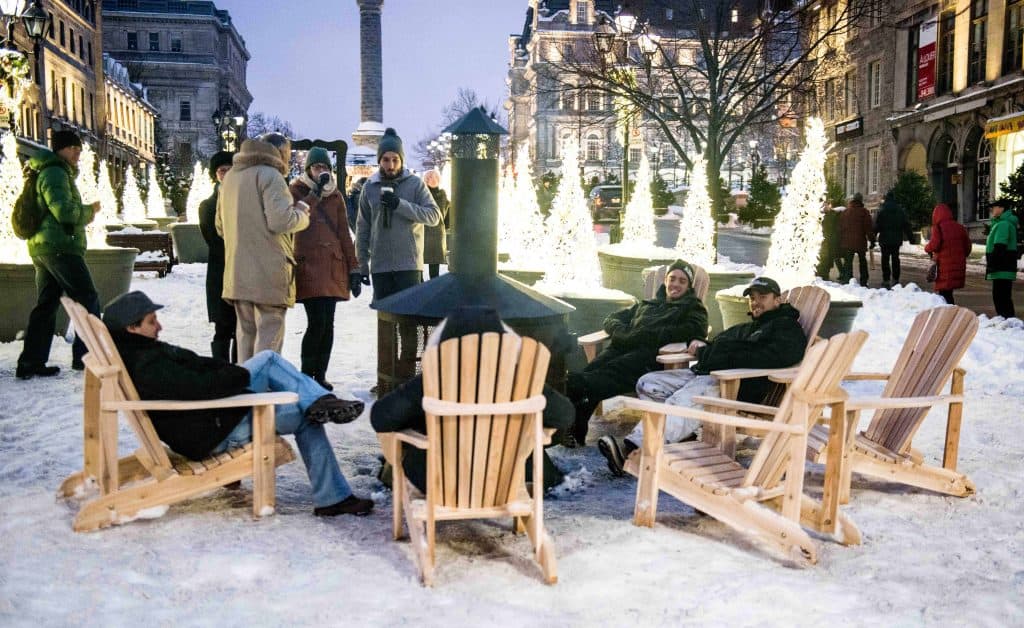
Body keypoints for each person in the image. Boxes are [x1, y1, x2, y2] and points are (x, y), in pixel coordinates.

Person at [102, 290, 373, 517]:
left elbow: (197, 369)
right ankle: (332, 498)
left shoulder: (140, 351)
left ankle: (319, 401)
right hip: (213, 432)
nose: (159, 326)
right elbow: (199, 387)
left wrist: (228, 374)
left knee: (268, 360)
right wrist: (237, 376)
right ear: (131, 328)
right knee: (303, 412)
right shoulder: (148, 365)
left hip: (211, 420)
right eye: (152, 322)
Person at [600, 276, 807, 476]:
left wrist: (721, 356)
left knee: (683, 400)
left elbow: (776, 357)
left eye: (762, 297)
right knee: (648, 383)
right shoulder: (750, 327)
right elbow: (718, 344)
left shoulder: (787, 328)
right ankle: (680, 437)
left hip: (735, 386)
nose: (756, 303)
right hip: (709, 373)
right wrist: (702, 345)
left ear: (777, 300)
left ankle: (635, 451)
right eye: (752, 298)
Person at [371, 305, 573, 493]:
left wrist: (416, 419)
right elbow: (564, 415)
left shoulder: (431, 380)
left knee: (406, 437)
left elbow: (381, 417)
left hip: (439, 480)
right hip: (511, 476)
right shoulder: (521, 380)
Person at [565, 260, 709, 447]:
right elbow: (612, 319)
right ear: (665, 280)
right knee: (594, 371)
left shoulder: (693, 307)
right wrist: (622, 332)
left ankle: (568, 388)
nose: (676, 284)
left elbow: (695, 329)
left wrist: (646, 335)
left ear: (689, 286)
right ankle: (577, 420)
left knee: (598, 377)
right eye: (672, 278)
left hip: (648, 356)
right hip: (621, 347)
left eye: (682, 281)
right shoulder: (647, 304)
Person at [217, 132, 313, 362]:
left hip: (237, 272)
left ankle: (246, 393)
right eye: (288, 155)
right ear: (279, 153)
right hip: (268, 272)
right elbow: (281, 221)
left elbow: (220, 227)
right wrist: (302, 214)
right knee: (268, 338)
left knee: (245, 336)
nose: (288, 162)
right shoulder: (271, 175)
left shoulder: (230, 177)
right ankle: (262, 393)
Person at [16, 130, 102, 379]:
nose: (78, 152)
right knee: (87, 298)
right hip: (60, 247)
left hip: (43, 247)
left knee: (47, 304)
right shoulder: (55, 172)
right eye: (73, 147)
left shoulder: (47, 170)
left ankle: (31, 362)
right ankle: (86, 358)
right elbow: (64, 212)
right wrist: (89, 211)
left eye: (79, 148)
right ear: (60, 149)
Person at [290, 148, 361, 390]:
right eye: (316, 167)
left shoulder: (336, 195)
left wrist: (354, 268)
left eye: (324, 167)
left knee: (328, 323)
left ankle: (319, 375)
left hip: (332, 265)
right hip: (308, 265)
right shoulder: (296, 190)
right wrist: (314, 194)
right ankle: (305, 375)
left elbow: (344, 233)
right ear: (308, 169)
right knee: (316, 322)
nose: (321, 171)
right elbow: (293, 219)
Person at [356, 127, 441, 303]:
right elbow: (363, 228)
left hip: (408, 266)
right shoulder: (370, 187)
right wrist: (362, 265)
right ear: (379, 160)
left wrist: (399, 205)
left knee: (408, 324)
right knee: (385, 323)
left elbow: (434, 216)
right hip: (381, 268)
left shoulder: (415, 184)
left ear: (402, 160)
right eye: (386, 160)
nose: (391, 165)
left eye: (395, 159)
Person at [198, 150, 236, 362]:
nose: (227, 174)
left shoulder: (242, 201)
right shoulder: (207, 206)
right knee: (223, 327)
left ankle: (240, 371)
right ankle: (221, 370)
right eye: (222, 171)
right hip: (220, 272)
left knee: (242, 328)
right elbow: (212, 239)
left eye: (230, 170)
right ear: (215, 175)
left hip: (239, 271)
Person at [924, 202, 972, 305]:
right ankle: (950, 313)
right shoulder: (960, 227)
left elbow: (934, 245)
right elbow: (967, 247)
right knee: (948, 292)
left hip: (944, 266)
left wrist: (927, 248)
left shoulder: (938, 228)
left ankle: (949, 316)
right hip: (958, 265)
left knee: (944, 294)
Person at [985, 197, 1019, 318]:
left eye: (994, 207)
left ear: (1001, 208)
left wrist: (992, 264)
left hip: (1002, 266)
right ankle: (1007, 321)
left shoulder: (1003, 224)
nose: (992, 210)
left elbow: (1000, 246)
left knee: (1000, 298)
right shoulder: (1002, 223)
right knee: (1003, 297)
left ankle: (1007, 322)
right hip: (1004, 266)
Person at [873, 194, 913, 289]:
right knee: (896, 259)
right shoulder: (900, 210)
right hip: (896, 239)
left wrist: (873, 237)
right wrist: (911, 238)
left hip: (885, 239)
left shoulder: (882, 210)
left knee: (885, 259)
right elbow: (906, 225)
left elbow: (877, 225)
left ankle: (886, 279)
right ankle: (895, 279)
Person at [838, 193, 874, 285]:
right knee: (862, 262)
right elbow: (868, 228)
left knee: (848, 262)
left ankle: (847, 279)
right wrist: (872, 241)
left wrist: (840, 240)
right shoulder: (864, 212)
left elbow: (840, 227)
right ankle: (863, 281)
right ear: (861, 200)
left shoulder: (846, 212)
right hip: (860, 241)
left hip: (847, 242)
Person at [421, 168, 450, 279]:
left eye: (433, 177)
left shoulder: (442, 195)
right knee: (424, 263)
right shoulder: (424, 194)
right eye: (429, 178)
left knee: (430, 264)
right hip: (429, 232)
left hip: (432, 233)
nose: (431, 180)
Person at [816, 203, 841, 281]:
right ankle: (821, 274)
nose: (826, 207)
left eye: (827, 205)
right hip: (823, 240)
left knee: (827, 259)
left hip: (829, 240)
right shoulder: (821, 216)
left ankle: (824, 275)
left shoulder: (833, 215)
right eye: (824, 206)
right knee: (823, 258)